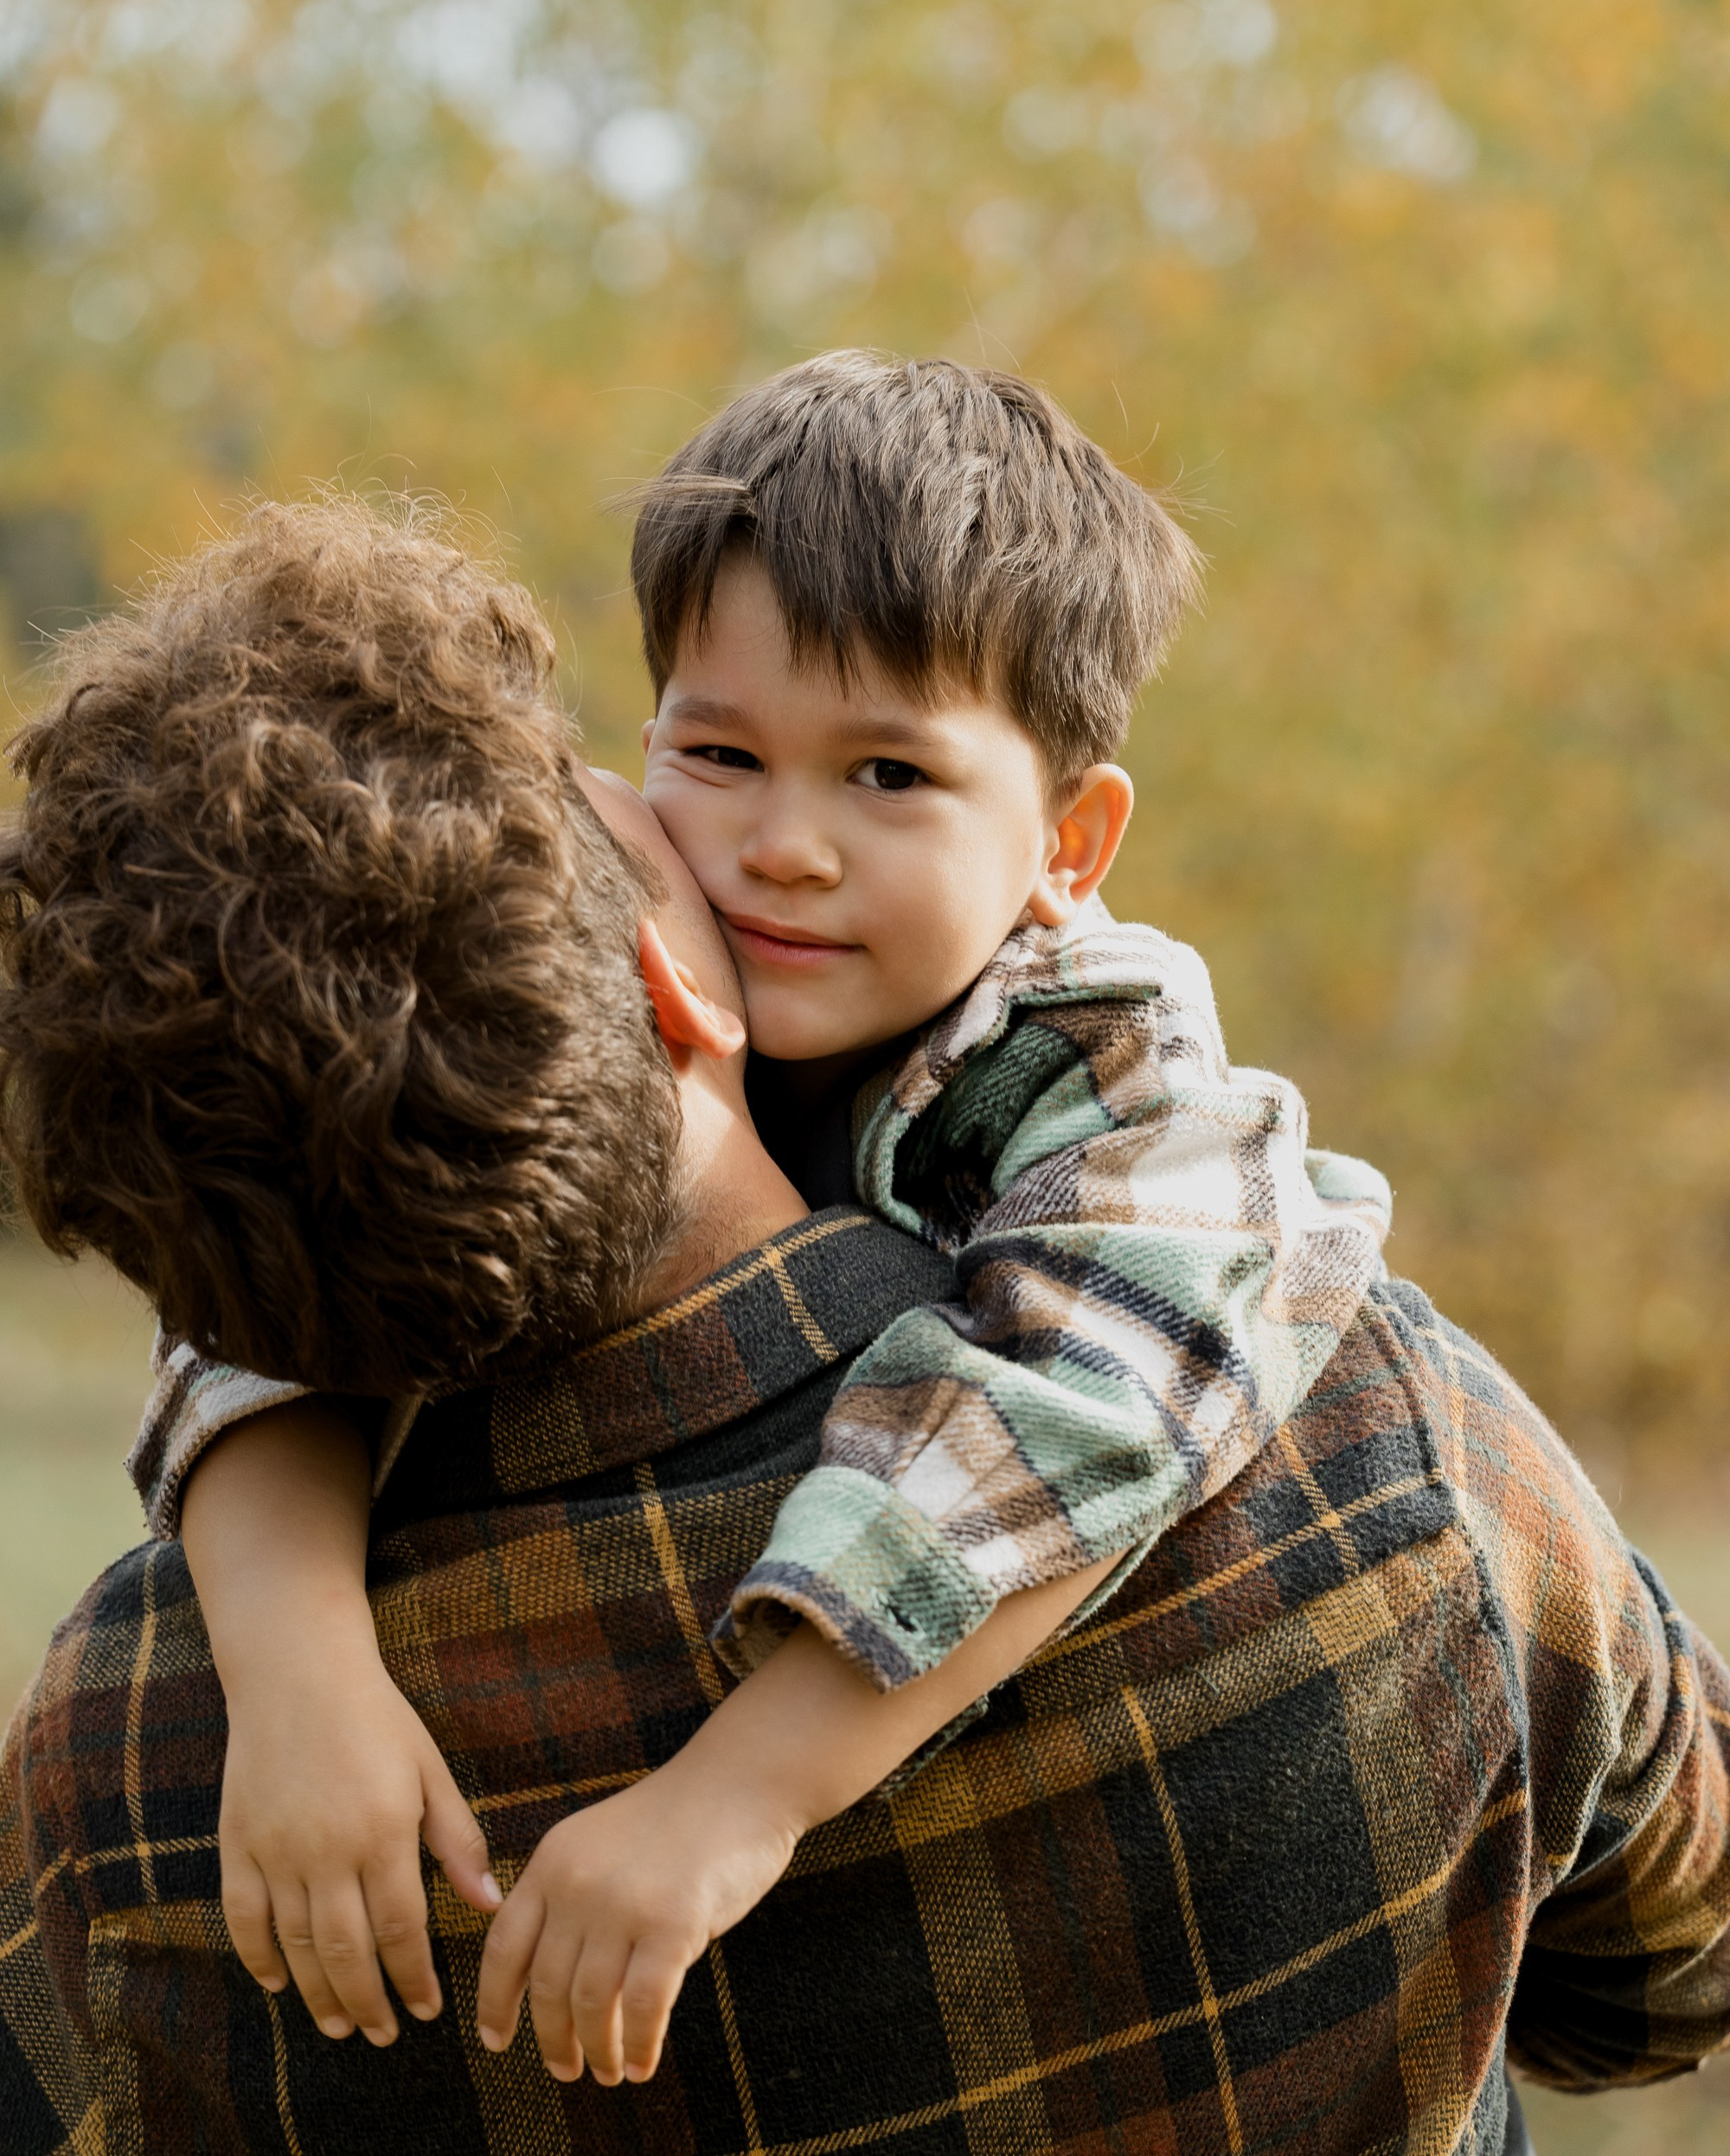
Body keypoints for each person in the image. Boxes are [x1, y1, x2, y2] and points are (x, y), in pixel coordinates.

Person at [0, 507, 1727, 2149]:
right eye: (689, 765)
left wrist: (288, 1661)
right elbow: (1673, 1974)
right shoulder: (1373, 1444)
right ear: (668, 980)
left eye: (886, 773)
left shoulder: (130, 1755)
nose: (772, 849)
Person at [118, 365, 1394, 2070]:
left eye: (890, 775)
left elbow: (1089, 1410)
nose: (784, 845)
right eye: (721, 753)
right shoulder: (600, 947)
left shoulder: (1110, 1071)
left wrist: (732, 1801)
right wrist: (302, 1680)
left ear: (1069, 843)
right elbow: (277, 1277)